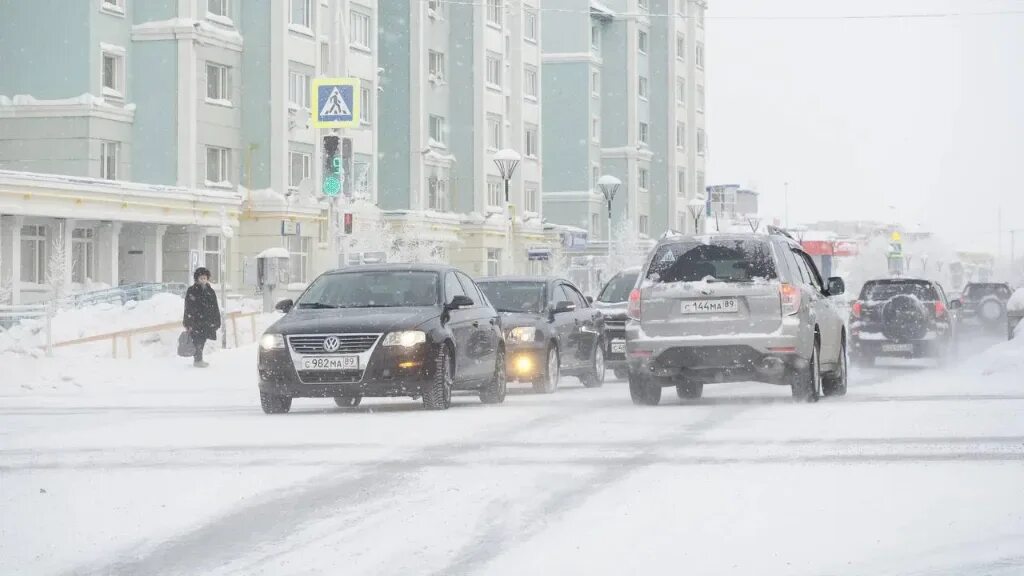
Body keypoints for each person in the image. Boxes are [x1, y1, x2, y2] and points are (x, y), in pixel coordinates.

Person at [183, 267, 221, 368]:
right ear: (197, 278)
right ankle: (198, 360)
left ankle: (199, 359)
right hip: (195, 320)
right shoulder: (192, 290)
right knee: (197, 340)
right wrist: (188, 322)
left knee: (203, 339)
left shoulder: (210, 291)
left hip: (207, 321)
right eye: (201, 278)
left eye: (205, 278)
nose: (203, 280)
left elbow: (215, 307)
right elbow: (188, 307)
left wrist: (217, 321)